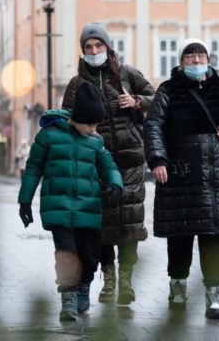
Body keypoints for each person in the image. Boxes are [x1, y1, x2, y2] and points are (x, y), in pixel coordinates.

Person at [143, 38, 219, 319]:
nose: (196, 60)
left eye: (200, 55)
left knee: (214, 237)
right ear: (181, 61)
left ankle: (214, 294)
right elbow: (153, 124)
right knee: (179, 235)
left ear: (208, 59)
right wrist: (157, 159)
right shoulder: (168, 90)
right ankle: (177, 287)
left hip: (217, 177)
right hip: (180, 174)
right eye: (190, 56)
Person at [61, 23, 155, 306]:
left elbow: (160, 98)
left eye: (98, 46)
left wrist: (137, 101)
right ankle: (109, 275)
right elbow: (66, 119)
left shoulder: (127, 74)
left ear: (107, 46)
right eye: (88, 47)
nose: (94, 51)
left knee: (130, 221)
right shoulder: (77, 84)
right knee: (101, 225)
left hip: (129, 160)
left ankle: (126, 278)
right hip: (95, 163)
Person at [18, 81, 123, 322]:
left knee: (90, 255)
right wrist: (25, 201)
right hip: (58, 207)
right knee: (66, 253)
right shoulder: (49, 136)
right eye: (89, 123)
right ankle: (68, 299)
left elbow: (109, 166)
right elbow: (33, 168)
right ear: (76, 118)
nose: (92, 128)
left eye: (96, 124)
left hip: (89, 207)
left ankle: (83, 286)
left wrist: (116, 185)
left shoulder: (95, 141)